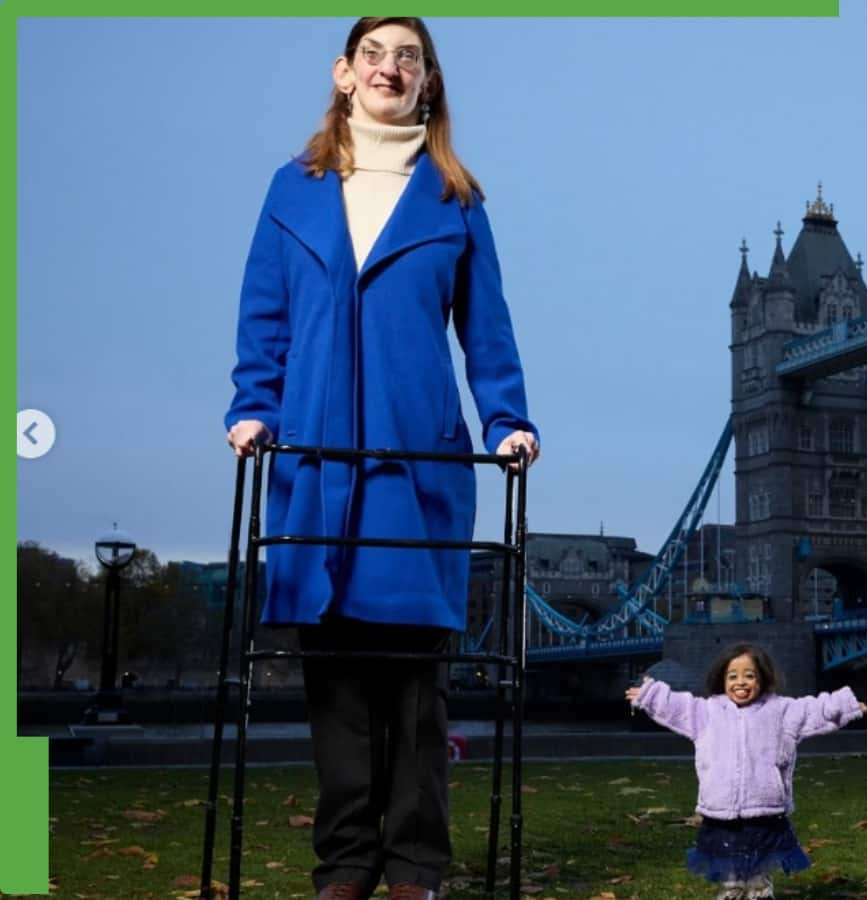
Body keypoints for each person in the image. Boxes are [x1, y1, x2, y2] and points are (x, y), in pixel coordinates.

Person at [224, 17, 539, 900]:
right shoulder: (292, 191)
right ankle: (346, 866)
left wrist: (507, 420)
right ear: (343, 73)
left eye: (409, 56)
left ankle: (414, 869)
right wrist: (253, 407)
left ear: (428, 82)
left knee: (412, 687)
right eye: (375, 54)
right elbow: (264, 318)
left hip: (416, 465)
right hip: (315, 463)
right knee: (336, 687)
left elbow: (488, 330)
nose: (390, 67)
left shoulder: (455, 200)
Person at [625, 643, 867, 900]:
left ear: (762, 678)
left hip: (764, 805)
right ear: (722, 680)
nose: (741, 683)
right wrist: (651, 694)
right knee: (727, 855)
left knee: (760, 856)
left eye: (749, 675)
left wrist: (846, 705)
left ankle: (760, 889)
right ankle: (732, 887)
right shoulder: (707, 712)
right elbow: (678, 705)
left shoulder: (781, 711)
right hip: (721, 806)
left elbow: (814, 709)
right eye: (733, 676)